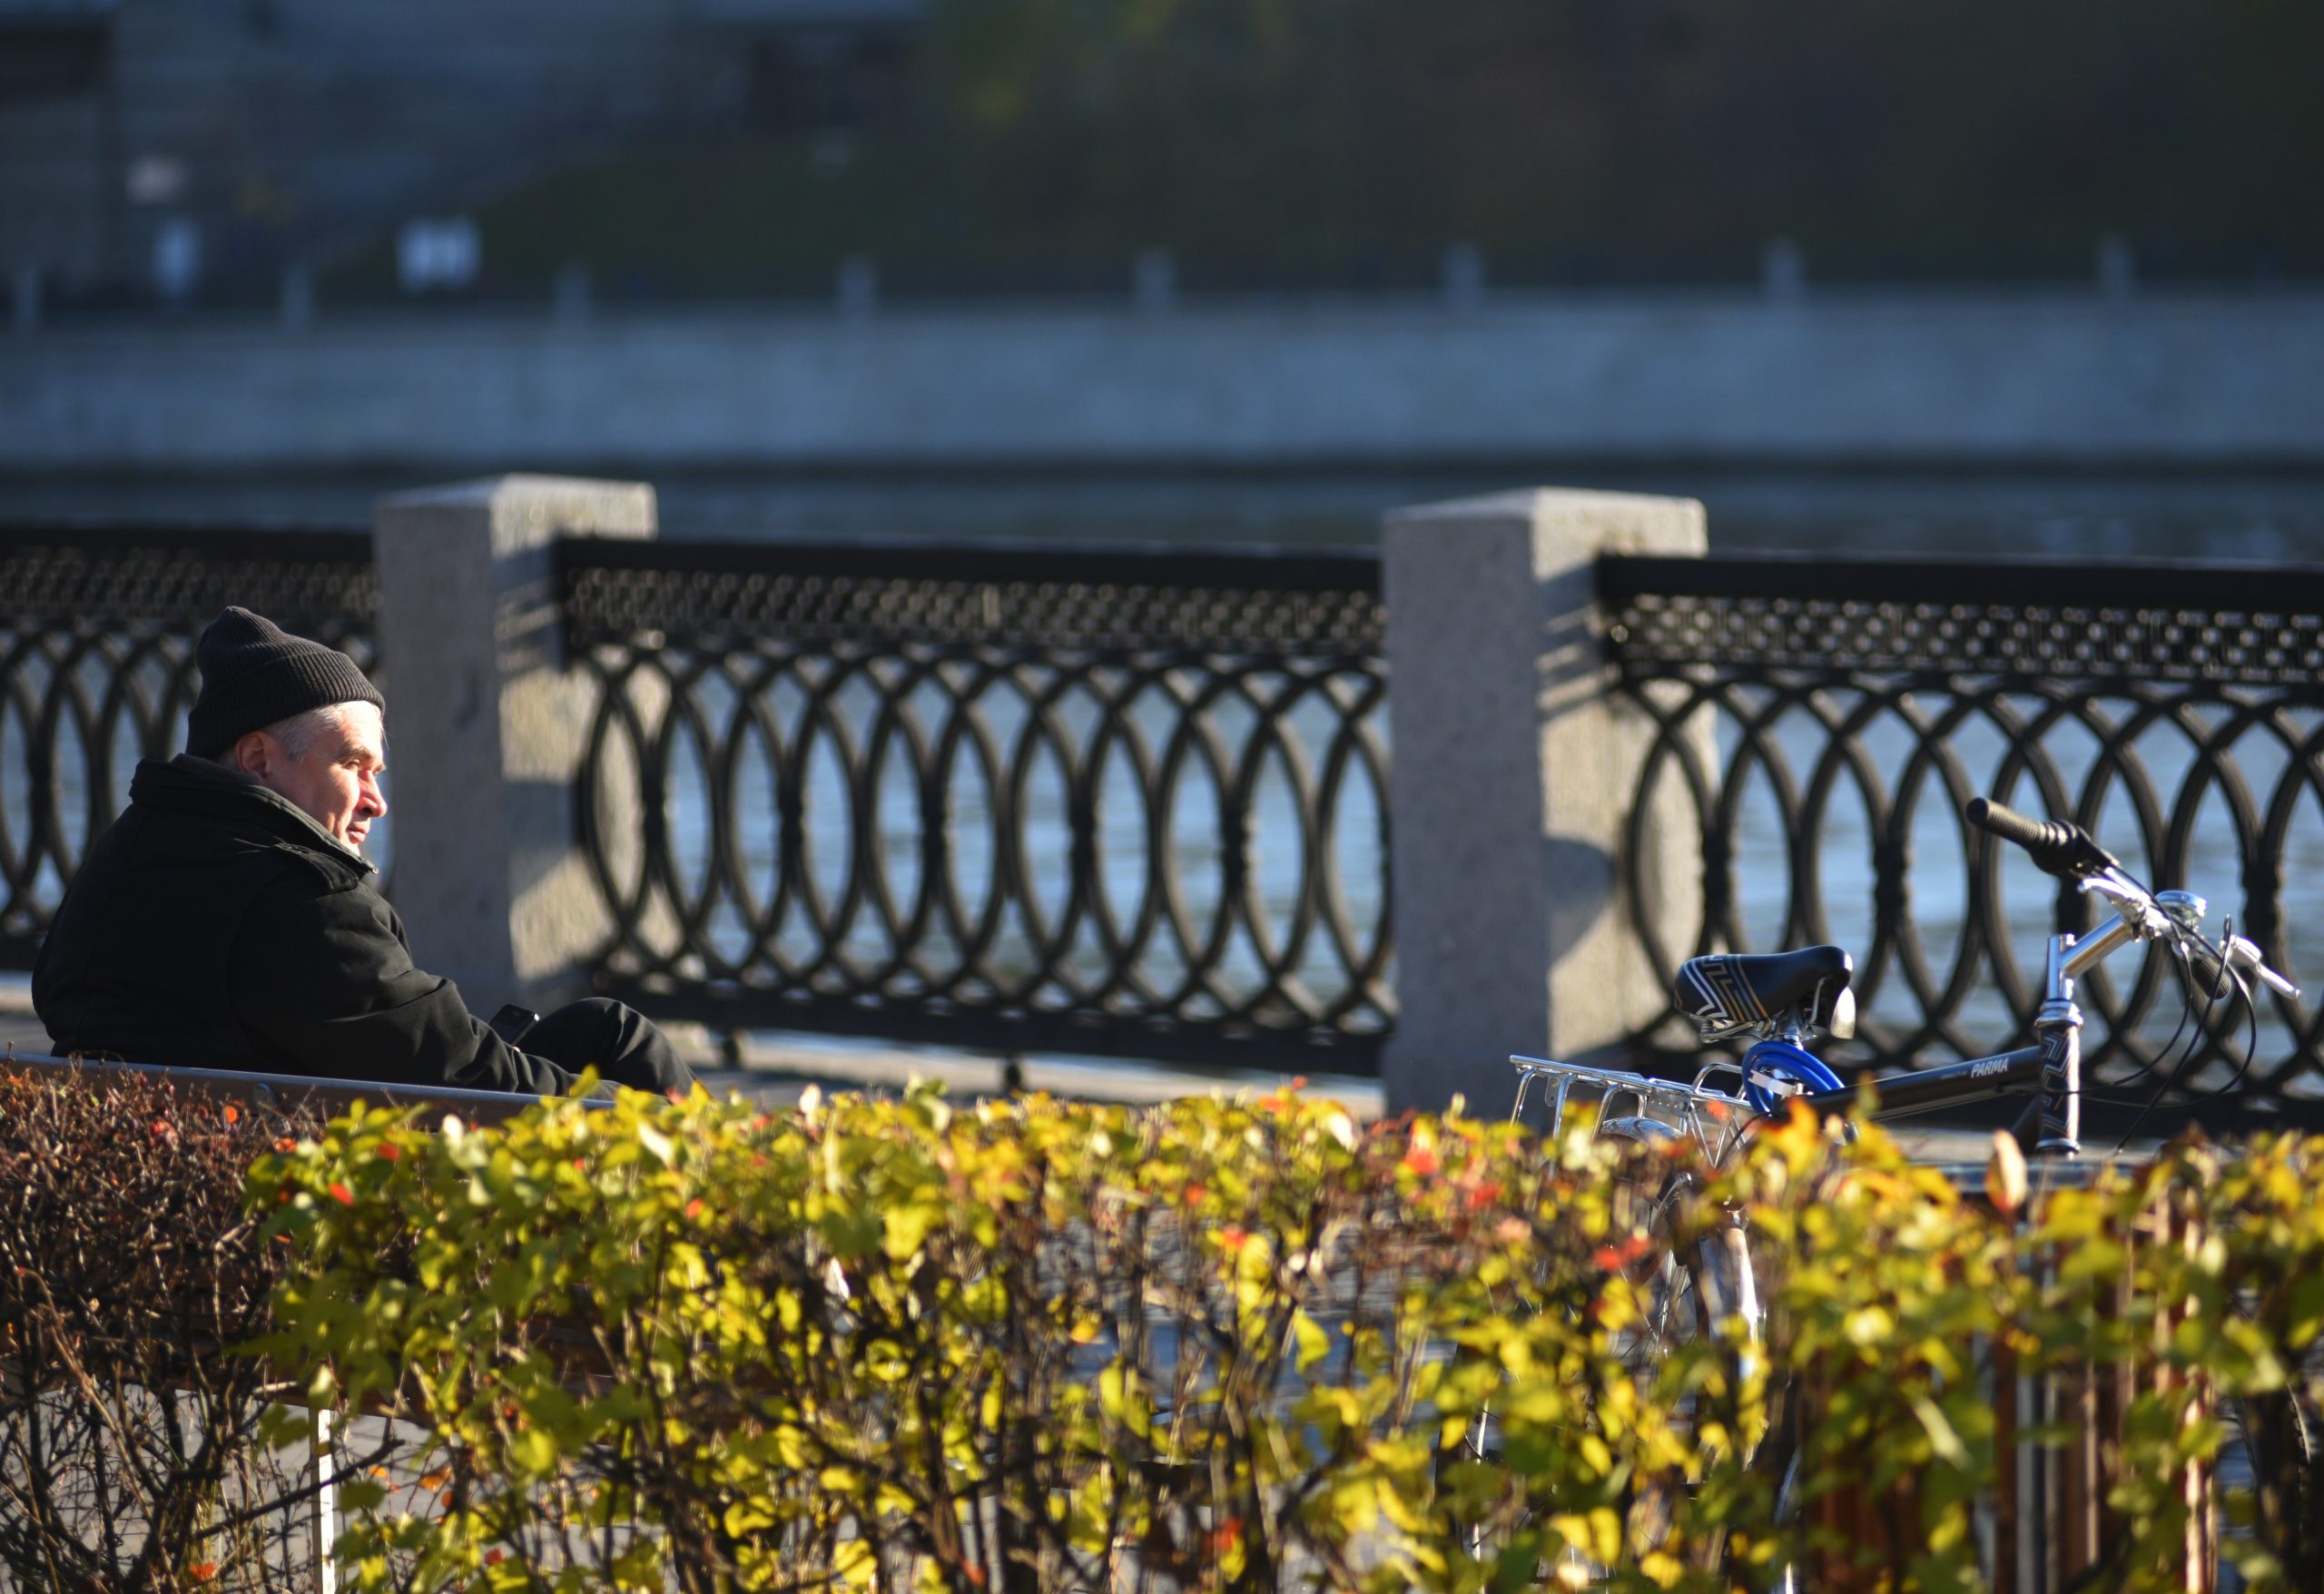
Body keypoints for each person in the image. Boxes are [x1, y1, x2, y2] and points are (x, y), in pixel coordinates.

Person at [32, 605, 694, 1098]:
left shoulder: (124, 854)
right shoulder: (298, 900)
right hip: (310, 1186)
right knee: (621, 1047)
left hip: (196, 1147)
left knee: (600, 1031)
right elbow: (467, 1077)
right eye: (354, 765)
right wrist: (637, 1119)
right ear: (259, 758)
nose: (377, 801)